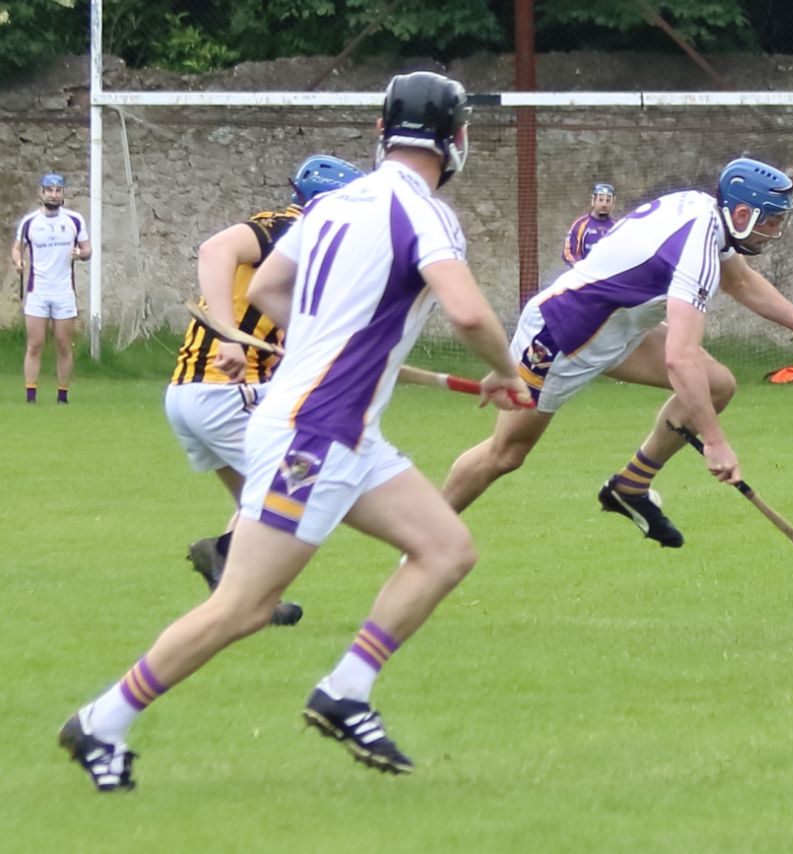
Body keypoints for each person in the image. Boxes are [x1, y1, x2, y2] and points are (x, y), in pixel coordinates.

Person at [58, 70, 530, 792]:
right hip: (316, 430)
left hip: (343, 429)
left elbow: (271, 289)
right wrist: (505, 372)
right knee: (242, 607)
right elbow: (466, 313)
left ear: (382, 131)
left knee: (445, 547)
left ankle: (346, 689)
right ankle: (103, 721)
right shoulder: (426, 213)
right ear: (457, 139)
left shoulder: (335, 203)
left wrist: (316, 341)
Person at [442, 157, 793, 548]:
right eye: (771, 220)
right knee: (506, 453)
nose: (776, 230)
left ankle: (629, 487)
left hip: (619, 330)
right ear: (741, 214)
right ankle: (428, 534)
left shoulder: (704, 214)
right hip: (560, 337)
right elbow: (681, 356)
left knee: (716, 386)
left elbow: (743, 283)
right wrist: (714, 442)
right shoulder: (697, 246)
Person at [169, 155, 365, 627]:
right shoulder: (288, 227)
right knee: (297, 487)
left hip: (192, 393)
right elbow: (215, 250)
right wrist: (232, 337)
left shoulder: (308, 254)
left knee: (256, 501)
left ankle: (244, 593)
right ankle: (227, 562)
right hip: (223, 391)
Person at [10, 173, 91, 405]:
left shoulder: (74, 220)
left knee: (63, 344)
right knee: (34, 344)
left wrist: (81, 254)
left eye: (58, 190)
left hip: (64, 291)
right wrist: (18, 262)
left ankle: (62, 396)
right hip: (38, 291)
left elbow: (88, 250)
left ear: (63, 193)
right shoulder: (30, 222)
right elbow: (17, 249)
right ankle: (30, 397)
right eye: (49, 190)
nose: (54, 195)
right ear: (42, 192)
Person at [561, 182, 616, 265]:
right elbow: (568, 253)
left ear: (613, 203)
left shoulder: (616, 227)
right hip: (586, 276)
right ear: (593, 201)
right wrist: (581, 269)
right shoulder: (580, 225)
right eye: (600, 200)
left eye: (608, 201)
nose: (604, 204)